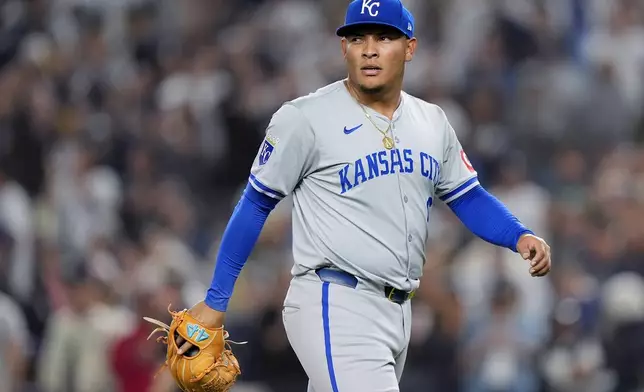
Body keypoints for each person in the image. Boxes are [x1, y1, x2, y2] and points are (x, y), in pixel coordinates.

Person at [174, 1, 552, 391]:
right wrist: (217, 300)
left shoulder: (432, 121)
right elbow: (255, 203)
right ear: (345, 49)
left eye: (384, 37)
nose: (369, 48)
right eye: (358, 38)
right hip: (335, 301)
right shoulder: (305, 118)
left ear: (409, 48)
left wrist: (518, 234)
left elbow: (467, 197)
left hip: (399, 308)